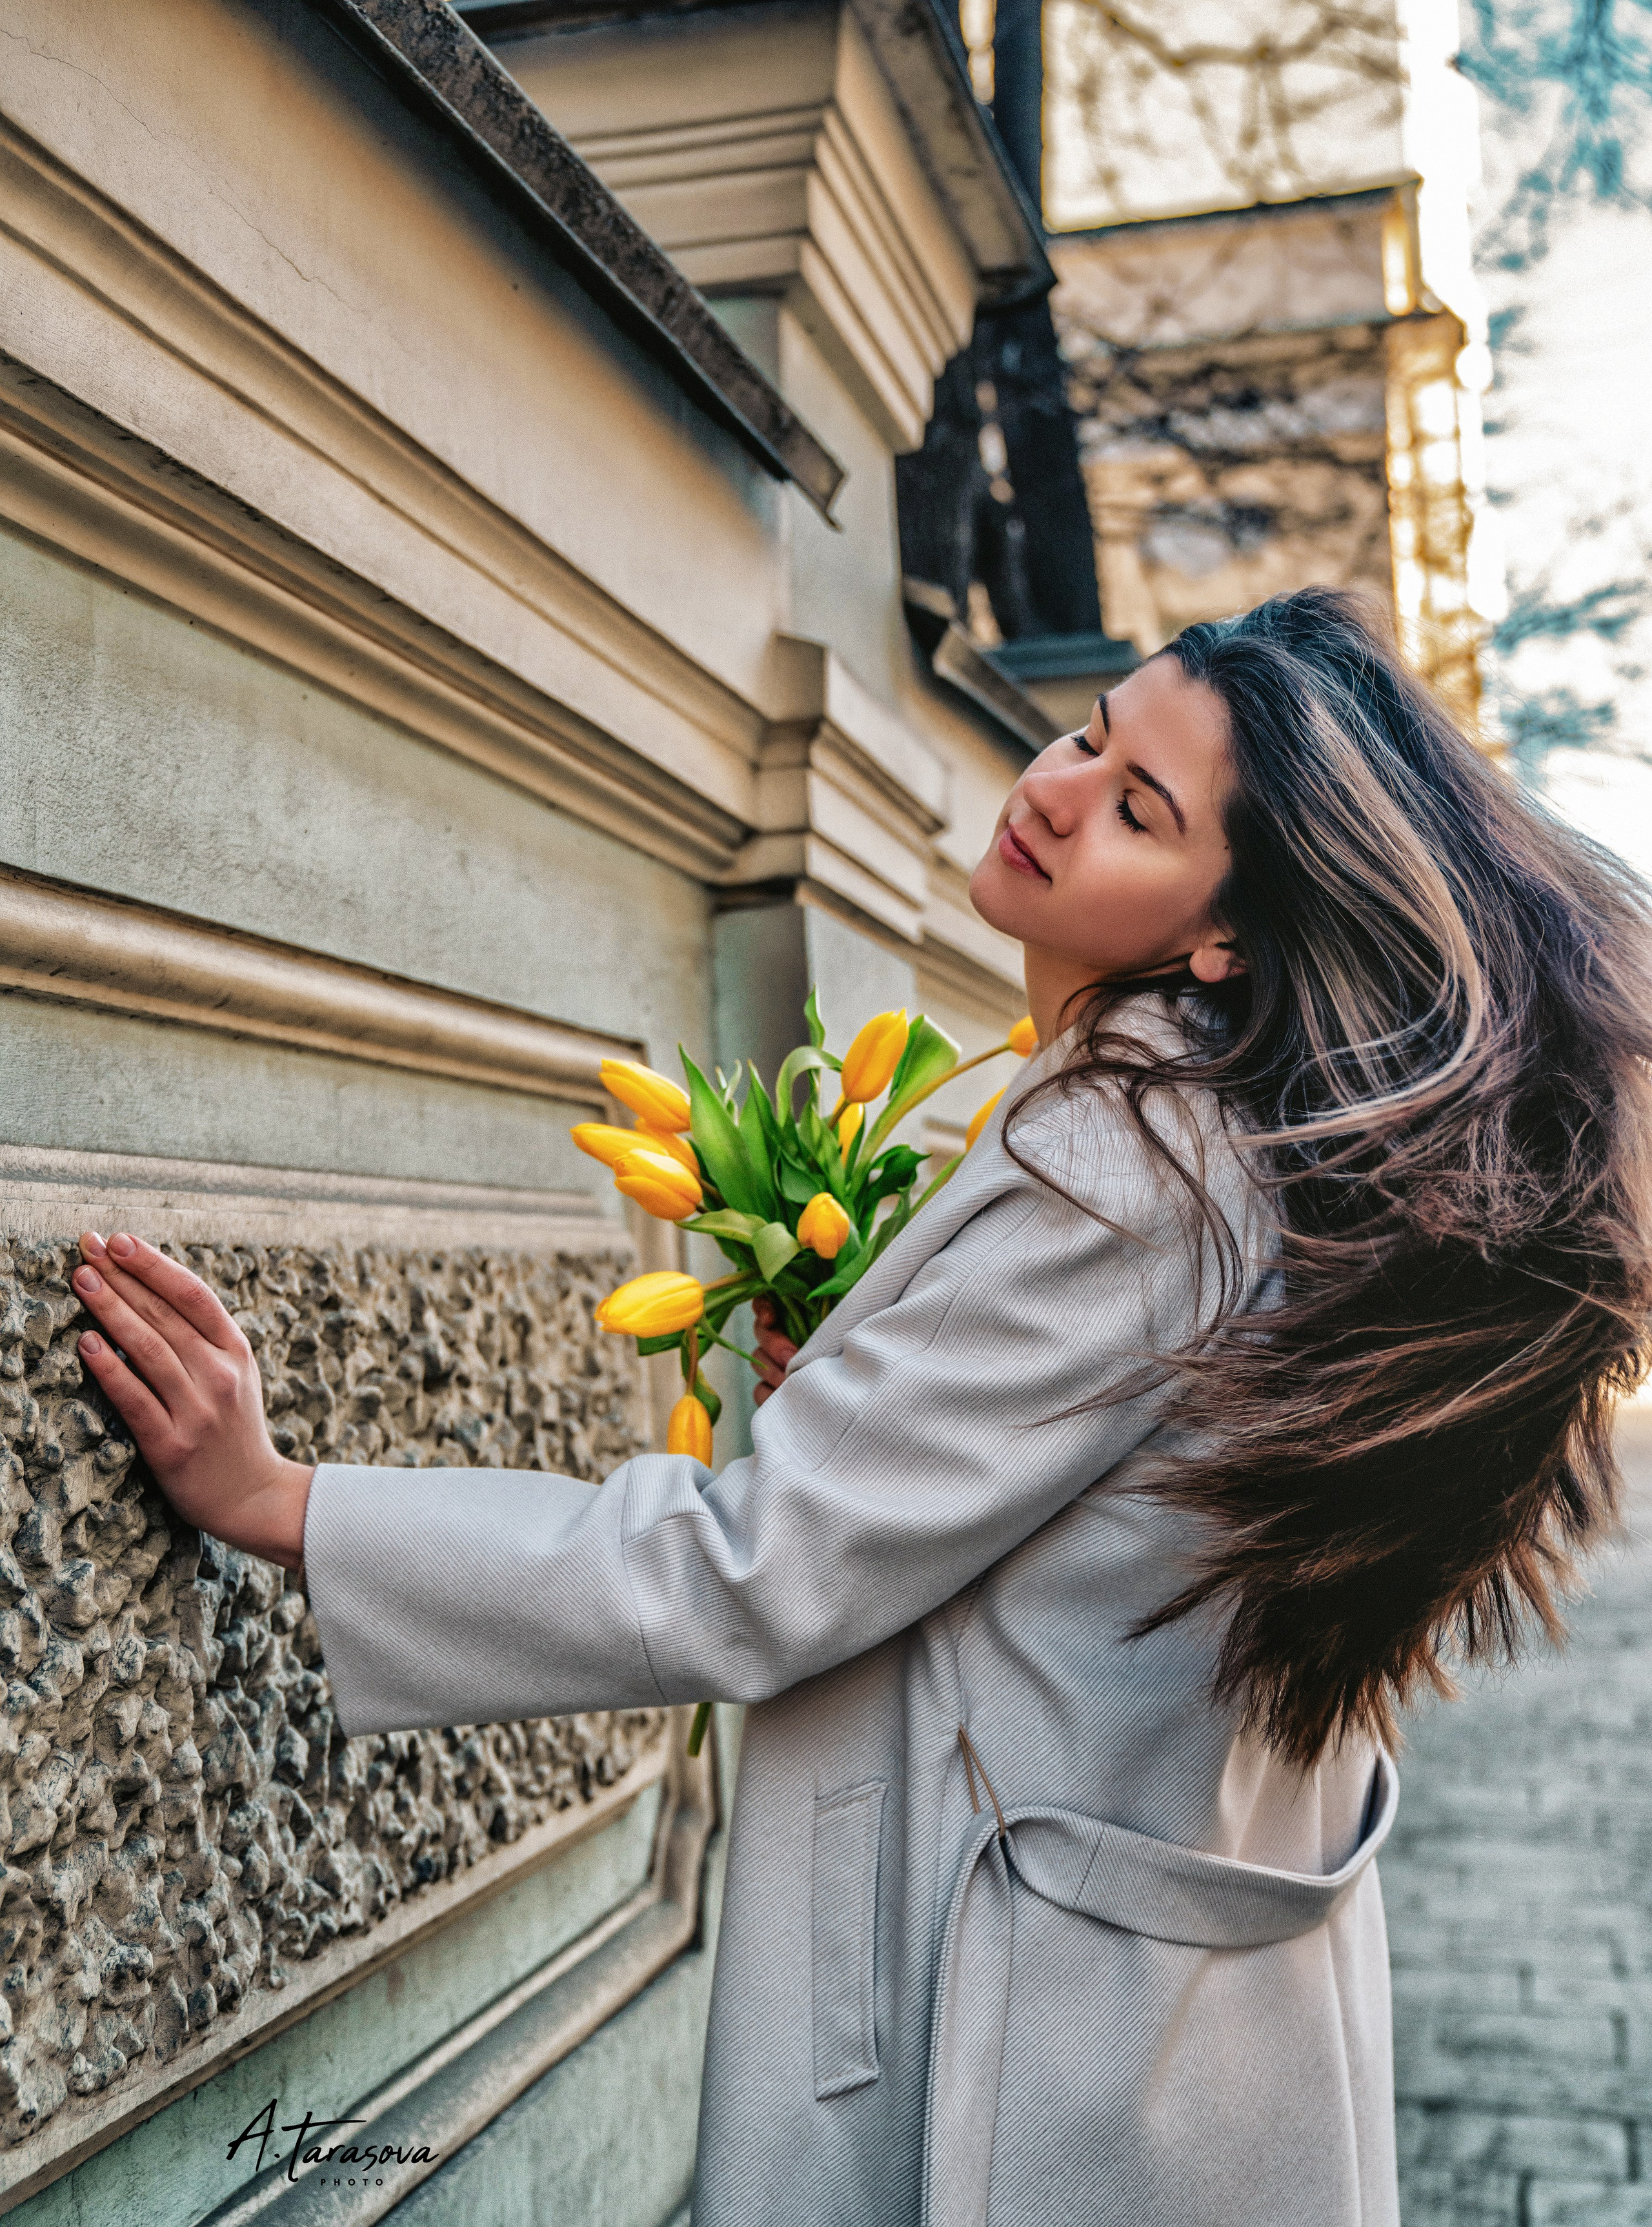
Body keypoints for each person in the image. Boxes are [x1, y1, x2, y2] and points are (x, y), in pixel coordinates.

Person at [70, 589, 1652, 2226]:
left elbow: (742, 1572)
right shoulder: (1271, 1161)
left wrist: (287, 1504)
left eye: (1135, 808)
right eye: (1089, 735)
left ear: (1226, 933)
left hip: (1021, 2058)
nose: (1050, 788)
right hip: (1178, 2054)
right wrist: (864, 1380)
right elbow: (1099, 1524)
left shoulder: (1133, 1166)